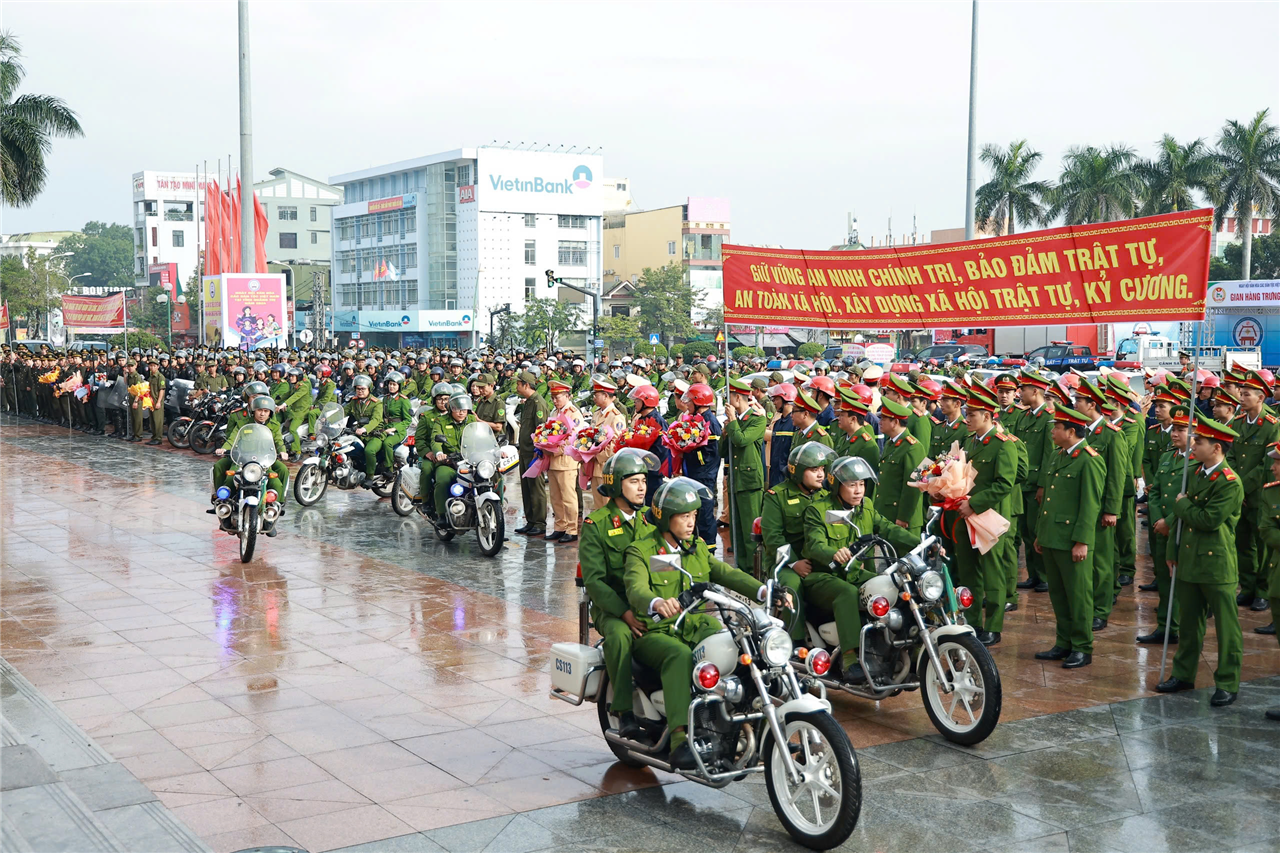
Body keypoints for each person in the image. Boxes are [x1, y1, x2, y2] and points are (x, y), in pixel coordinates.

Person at [623, 477, 780, 770]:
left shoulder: (695, 547)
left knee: (734, 640)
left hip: (692, 625)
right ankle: (679, 738)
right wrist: (657, 602)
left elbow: (724, 572)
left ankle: (744, 713)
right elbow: (635, 587)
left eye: (694, 515)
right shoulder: (641, 550)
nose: (691, 522)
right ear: (664, 517)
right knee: (678, 655)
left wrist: (763, 590)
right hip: (654, 631)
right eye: (684, 516)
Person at [1155, 417, 1245, 707]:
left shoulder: (1229, 482)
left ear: (1216, 448)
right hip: (1189, 559)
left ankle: (1228, 682)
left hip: (1215, 564)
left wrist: (1182, 504)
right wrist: (1172, 551)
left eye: (1200, 441)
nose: (1193, 444)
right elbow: (1180, 524)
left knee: (1226, 629)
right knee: (1189, 625)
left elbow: (1208, 520)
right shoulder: (1195, 474)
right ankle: (1183, 674)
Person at [802, 455, 918, 679]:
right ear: (836, 485)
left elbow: (886, 528)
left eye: (862, 484)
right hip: (823, 576)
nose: (858, 491)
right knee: (847, 593)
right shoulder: (818, 510)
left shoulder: (866, 506)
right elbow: (815, 544)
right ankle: (849, 659)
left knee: (896, 585)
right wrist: (833, 552)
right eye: (852, 484)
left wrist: (921, 542)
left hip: (855, 573)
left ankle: (906, 648)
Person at [579, 449, 660, 741]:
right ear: (615, 486)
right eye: (634, 481)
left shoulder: (649, 524)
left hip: (644, 604)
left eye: (643, 481)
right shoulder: (597, 524)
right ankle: (624, 711)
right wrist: (624, 613)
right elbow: (596, 582)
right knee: (621, 636)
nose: (642, 487)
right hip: (610, 608)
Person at [1034, 405, 1104, 669]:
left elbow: (1090, 505)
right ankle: (1063, 642)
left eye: (1057, 428)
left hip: (1072, 539)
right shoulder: (1057, 456)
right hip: (1053, 536)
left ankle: (1082, 647)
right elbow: (1049, 500)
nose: (1052, 432)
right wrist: (1041, 533)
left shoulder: (1089, 459)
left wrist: (1082, 541)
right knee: (1059, 595)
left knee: (1078, 596)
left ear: (1071, 431)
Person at [948, 386, 1017, 645]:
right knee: (968, 571)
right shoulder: (968, 442)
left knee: (992, 571)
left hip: (988, 516)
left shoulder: (1002, 445)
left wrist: (975, 504)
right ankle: (973, 620)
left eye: (972, 414)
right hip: (964, 516)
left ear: (987, 416)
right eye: (966, 413)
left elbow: (1004, 483)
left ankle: (994, 625)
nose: (967, 418)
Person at [761, 441, 837, 643]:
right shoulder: (776, 497)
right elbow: (773, 537)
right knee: (791, 585)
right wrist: (794, 563)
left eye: (822, 469)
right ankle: (795, 642)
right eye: (814, 470)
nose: (821, 474)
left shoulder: (825, 496)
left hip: (817, 558)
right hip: (784, 562)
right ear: (797, 471)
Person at [1137, 404, 1190, 645]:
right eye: (1175, 428)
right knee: (1164, 579)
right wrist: (1158, 519)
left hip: (1180, 528)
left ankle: (1178, 626)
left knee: (1180, 581)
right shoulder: (1169, 455)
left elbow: (1192, 497)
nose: (1175, 433)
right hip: (1161, 527)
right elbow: (1156, 489)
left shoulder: (1197, 461)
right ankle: (1164, 625)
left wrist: (1169, 521)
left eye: (1182, 429)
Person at [1227, 370, 1278, 612]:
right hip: (1241, 496)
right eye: (1241, 392)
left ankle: (1263, 591)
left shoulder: (1272, 425)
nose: (1241, 397)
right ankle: (1247, 588)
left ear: (1260, 397)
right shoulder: (1238, 422)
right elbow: (1232, 457)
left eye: (1246, 394)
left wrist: (1243, 488)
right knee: (1243, 543)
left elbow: (1266, 465)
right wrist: (1237, 488)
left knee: (1263, 545)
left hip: (1260, 495)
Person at [210, 395, 290, 532]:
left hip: (264, 463)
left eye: (266, 411)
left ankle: (273, 512)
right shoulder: (243, 423)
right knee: (229, 480)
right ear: (253, 411)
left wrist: (283, 451)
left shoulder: (274, 426)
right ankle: (225, 512)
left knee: (277, 482)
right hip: (242, 461)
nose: (262, 414)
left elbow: (278, 441)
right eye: (259, 410)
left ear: (270, 412)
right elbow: (233, 437)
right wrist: (225, 448)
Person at [721, 377, 767, 568]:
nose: (726, 402)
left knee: (750, 531)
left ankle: (756, 570)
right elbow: (723, 452)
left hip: (749, 482)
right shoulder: (735, 422)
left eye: (729, 397)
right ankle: (741, 568)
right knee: (736, 531)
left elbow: (741, 440)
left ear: (738, 398)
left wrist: (732, 421)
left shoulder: (757, 420)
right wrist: (726, 431)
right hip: (735, 480)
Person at [1015, 368, 1053, 593]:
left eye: (1024, 389)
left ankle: (1044, 575)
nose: (1020, 393)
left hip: (1036, 483)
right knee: (1026, 532)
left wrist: (1042, 485)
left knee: (1037, 530)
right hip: (1023, 482)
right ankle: (1033, 574)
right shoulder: (1024, 416)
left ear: (1036, 391)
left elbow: (1049, 455)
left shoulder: (1048, 419)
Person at [875, 398, 926, 536]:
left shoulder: (914, 447)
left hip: (904, 519)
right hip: (888, 514)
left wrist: (904, 516)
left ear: (895, 422)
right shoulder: (890, 444)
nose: (879, 422)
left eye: (883, 419)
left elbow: (915, 485)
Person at [679, 382, 722, 546]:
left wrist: (691, 448)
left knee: (704, 514)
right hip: (695, 474)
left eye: (689, 401)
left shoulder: (710, 423)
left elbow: (712, 454)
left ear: (699, 402)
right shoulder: (697, 419)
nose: (687, 404)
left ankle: (709, 547)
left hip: (704, 476)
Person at [428, 393, 478, 519]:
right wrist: (439, 453)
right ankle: (442, 515)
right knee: (443, 480)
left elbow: (481, 436)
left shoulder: (472, 420)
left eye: (464, 409)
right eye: (457, 409)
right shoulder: (441, 421)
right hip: (449, 462)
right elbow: (435, 440)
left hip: (471, 462)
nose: (461, 412)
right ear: (451, 408)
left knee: (489, 477)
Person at [546, 379, 584, 544]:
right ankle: (559, 526)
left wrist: (556, 449)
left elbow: (574, 438)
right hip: (553, 461)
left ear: (567, 396)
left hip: (566, 460)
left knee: (568, 497)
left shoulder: (573, 413)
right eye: (553, 397)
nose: (555, 400)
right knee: (555, 496)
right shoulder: (554, 412)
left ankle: (571, 529)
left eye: (558, 397)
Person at [587, 376, 628, 512]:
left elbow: (616, 444)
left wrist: (596, 456)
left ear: (605, 396)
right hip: (595, 466)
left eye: (596, 394)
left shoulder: (616, 417)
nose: (594, 397)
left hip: (606, 466)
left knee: (608, 505)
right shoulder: (597, 414)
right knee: (598, 505)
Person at [343, 375, 383, 488]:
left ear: (369, 389)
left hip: (375, 433)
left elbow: (376, 420)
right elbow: (343, 412)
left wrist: (365, 429)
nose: (360, 391)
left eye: (363, 389)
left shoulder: (377, 403)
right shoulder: (354, 402)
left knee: (369, 450)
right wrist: (328, 418)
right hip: (359, 432)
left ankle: (370, 477)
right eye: (358, 389)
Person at [377, 372, 412, 476]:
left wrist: (394, 429)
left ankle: (389, 468)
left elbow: (407, 420)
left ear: (399, 386)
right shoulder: (385, 398)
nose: (391, 387)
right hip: (386, 426)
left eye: (394, 384)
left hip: (399, 430)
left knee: (387, 443)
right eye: (390, 384)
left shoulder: (403, 400)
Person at [279, 366, 313, 455]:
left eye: (293, 376)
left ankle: (297, 451)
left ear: (299, 377)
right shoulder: (295, 386)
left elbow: (294, 397)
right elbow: (287, 395)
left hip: (301, 413)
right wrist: (273, 400)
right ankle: (287, 448)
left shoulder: (303, 387)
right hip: (294, 412)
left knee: (293, 429)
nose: (291, 378)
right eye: (290, 376)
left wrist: (284, 404)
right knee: (284, 427)